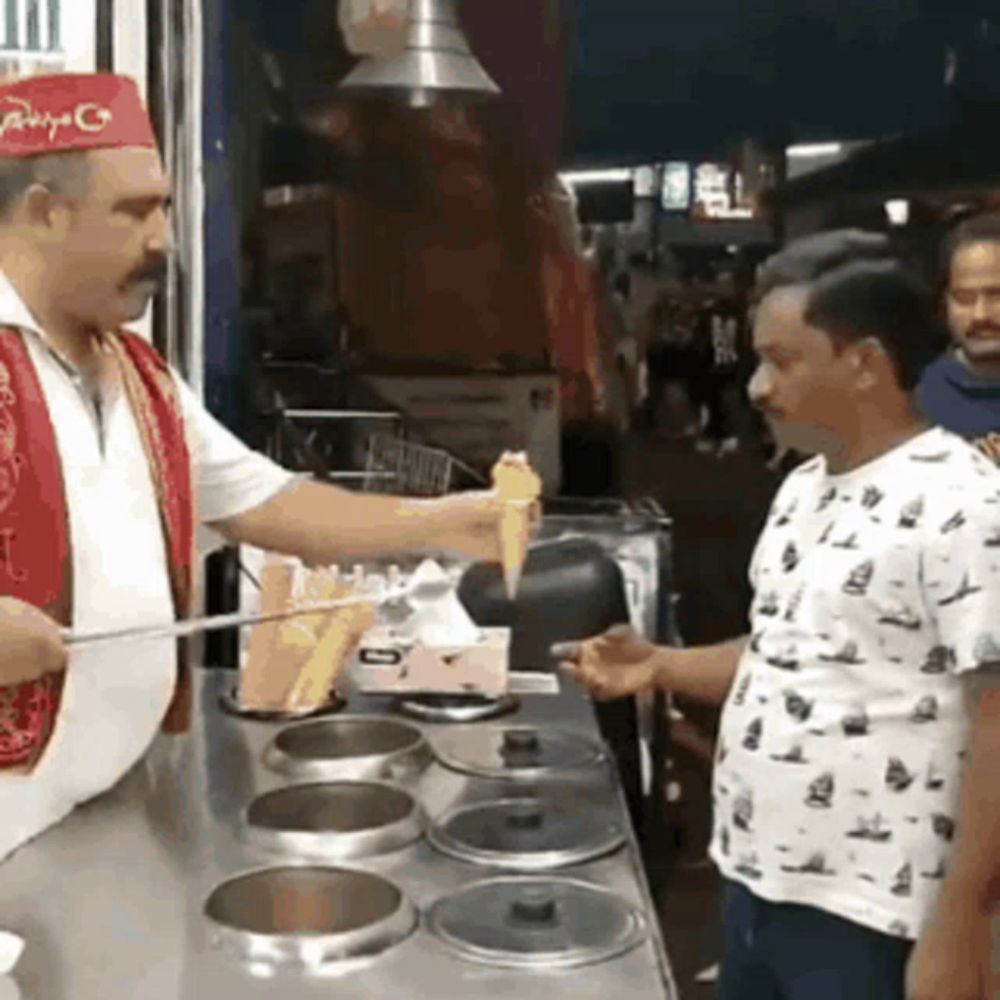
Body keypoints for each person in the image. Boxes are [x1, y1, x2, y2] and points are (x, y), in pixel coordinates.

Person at [0, 73, 510, 861]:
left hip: (109, 812)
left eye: (164, 206)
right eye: (133, 211)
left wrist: (449, 522)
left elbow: (269, 505)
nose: (164, 238)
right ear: (42, 212)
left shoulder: (140, 378)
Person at [555, 230, 1000, 1000]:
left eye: (782, 360)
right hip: (760, 878)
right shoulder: (804, 487)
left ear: (862, 363)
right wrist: (660, 664)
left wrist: (962, 924)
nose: (758, 386)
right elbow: (786, 651)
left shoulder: (963, 505)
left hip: (879, 912)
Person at [917, 212, 1000, 462]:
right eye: (964, 299)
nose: (980, 315)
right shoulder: (915, 405)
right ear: (944, 305)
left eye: (997, 295)